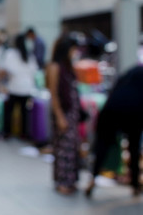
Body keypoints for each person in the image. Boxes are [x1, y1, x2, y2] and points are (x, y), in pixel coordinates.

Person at [86, 66, 143, 198]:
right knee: (133, 148)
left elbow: (114, 89)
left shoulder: (131, 72)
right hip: (133, 113)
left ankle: (92, 179)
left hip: (112, 109)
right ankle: (135, 186)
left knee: (102, 146)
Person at [46, 35, 81, 195]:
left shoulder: (68, 66)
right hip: (63, 112)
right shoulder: (54, 66)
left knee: (72, 147)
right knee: (63, 148)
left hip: (72, 113)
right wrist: (59, 115)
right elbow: (53, 93)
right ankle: (62, 181)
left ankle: (70, 179)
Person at [3, 34, 38, 139]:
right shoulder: (29, 55)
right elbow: (34, 71)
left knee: (9, 111)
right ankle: (24, 133)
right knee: (24, 113)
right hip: (26, 88)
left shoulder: (10, 54)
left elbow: (7, 69)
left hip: (14, 87)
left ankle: (7, 132)